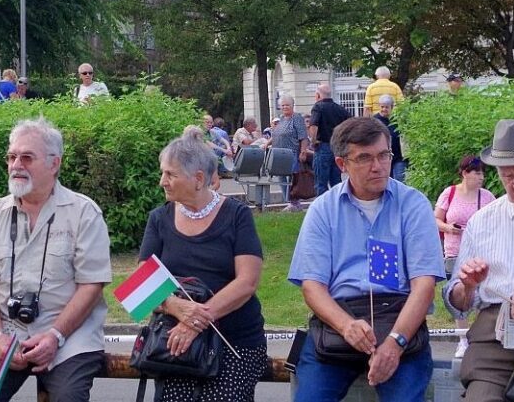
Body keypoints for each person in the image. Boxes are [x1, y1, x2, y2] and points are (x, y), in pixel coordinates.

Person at [288, 117, 444, 402]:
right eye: (364, 158)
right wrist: (347, 325)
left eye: (383, 155)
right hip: (338, 321)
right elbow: (312, 286)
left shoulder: (413, 204)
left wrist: (395, 344)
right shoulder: (323, 209)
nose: (378, 166)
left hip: (399, 319)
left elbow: (424, 286)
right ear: (341, 164)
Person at [0, 119, 111, 402]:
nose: (17, 164)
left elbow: (91, 285)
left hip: (69, 338)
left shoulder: (84, 213)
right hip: (6, 334)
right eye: (12, 156)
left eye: (27, 157)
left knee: (67, 398)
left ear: (55, 164)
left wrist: (55, 335)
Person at [138, 127, 267, 402]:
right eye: (163, 172)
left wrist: (195, 321)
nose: (162, 181)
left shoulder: (237, 215)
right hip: (174, 344)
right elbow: (140, 286)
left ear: (198, 179)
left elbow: (247, 283)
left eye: (170, 174)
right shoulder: (159, 219)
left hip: (233, 342)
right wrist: (176, 307)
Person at [445, 119, 514, 400]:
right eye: (508, 176)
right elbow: (459, 305)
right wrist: (468, 286)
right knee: (481, 397)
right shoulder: (481, 221)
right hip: (495, 335)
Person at [434, 155, 495, 359]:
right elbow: (435, 220)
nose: (481, 177)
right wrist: (449, 228)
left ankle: (478, 336)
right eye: (477, 172)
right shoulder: (449, 193)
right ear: (465, 173)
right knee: (457, 294)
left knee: (480, 295)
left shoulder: (486, 197)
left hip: (480, 253)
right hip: (454, 251)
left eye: (482, 173)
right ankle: (462, 339)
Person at [309, 84, 352, 198]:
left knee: (321, 183)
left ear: (318, 95)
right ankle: (338, 206)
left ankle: (322, 210)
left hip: (322, 147)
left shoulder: (318, 107)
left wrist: (313, 141)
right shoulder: (340, 109)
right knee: (336, 182)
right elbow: (351, 125)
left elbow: (313, 125)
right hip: (337, 149)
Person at [267, 95, 309, 211]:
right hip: (279, 154)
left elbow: (303, 137)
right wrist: (266, 144)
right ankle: (288, 201)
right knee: (281, 177)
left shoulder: (297, 118)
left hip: (292, 153)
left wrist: (303, 151)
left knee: (291, 178)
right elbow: (276, 134)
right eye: (283, 105)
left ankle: (294, 202)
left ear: (292, 106)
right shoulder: (281, 119)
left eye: (287, 105)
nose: (285, 107)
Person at [372, 95, 406, 183]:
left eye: (386, 107)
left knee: (400, 180)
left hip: (398, 157)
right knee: (385, 181)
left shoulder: (398, 119)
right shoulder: (375, 121)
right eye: (382, 107)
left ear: (392, 107)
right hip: (382, 157)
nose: (384, 109)